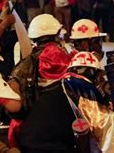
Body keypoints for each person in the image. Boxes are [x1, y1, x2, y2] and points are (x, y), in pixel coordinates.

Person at [8, 14, 77, 152]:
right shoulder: (71, 57)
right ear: (57, 35)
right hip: (66, 132)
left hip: (33, 134)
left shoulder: (27, 63)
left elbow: (12, 93)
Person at [63, 52, 114, 152]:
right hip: (75, 133)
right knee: (111, 119)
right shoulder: (85, 86)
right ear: (91, 72)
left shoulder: (63, 80)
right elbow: (99, 122)